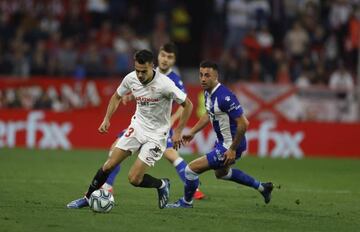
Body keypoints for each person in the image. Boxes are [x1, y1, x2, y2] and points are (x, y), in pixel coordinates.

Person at [67, 49, 193, 209]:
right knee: (109, 164)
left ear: (152, 66)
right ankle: (87, 197)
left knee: (134, 179)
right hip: (137, 128)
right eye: (137, 70)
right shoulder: (131, 78)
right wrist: (107, 119)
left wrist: (179, 131)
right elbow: (116, 96)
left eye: (144, 71)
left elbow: (188, 104)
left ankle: (161, 184)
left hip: (156, 136)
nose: (140, 75)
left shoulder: (165, 84)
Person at [102, 42, 206, 200]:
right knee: (116, 147)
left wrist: (173, 122)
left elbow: (183, 105)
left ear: (174, 60)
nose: (165, 60)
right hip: (141, 124)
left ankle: (193, 187)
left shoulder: (174, 80)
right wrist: (130, 95)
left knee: (172, 155)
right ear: (157, 57)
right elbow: (142, 89)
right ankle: (107, 186)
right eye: (163, 55)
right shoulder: (147, 71)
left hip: (160, 127)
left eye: (169, 57)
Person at [166, 61, 273, 208]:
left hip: (230, 145)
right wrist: (192, 132)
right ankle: (263, 187)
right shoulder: (208, 92)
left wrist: (232, 149)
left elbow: (244, 123)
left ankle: (186, 202)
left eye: (207, 75)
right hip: (224, 143)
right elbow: (208, 115)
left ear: (216, 76)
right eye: (201, 75)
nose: (203, 79)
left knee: (190, 170)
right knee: (221, 173)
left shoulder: (225, 97)